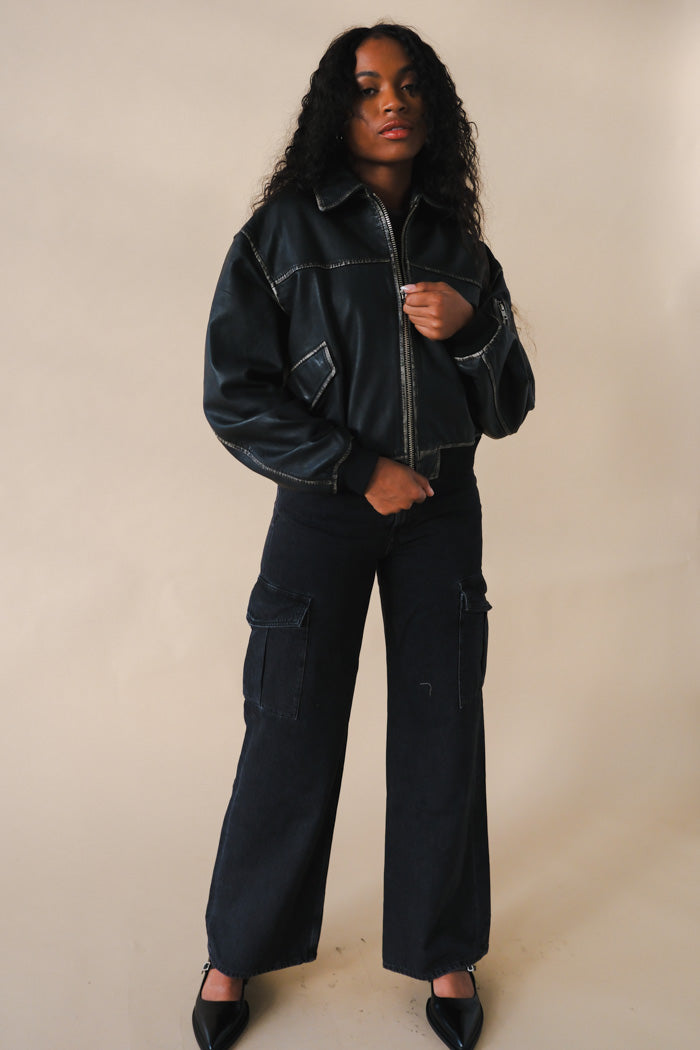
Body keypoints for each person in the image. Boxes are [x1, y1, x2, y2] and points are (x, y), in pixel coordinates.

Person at [192, 22, 534, 1050]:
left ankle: (443, 950)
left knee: (442, 730)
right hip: (323, 515)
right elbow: (233, 394)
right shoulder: (280, 235)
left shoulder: (460, 247)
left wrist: (471, 329)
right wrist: (353, 468)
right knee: (287, 730)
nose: (393, 101)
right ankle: (233, 952)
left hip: (441, 518)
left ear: (433, 109)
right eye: (368, 86)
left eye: (410, 85)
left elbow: (511, 403)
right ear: (334, 110)